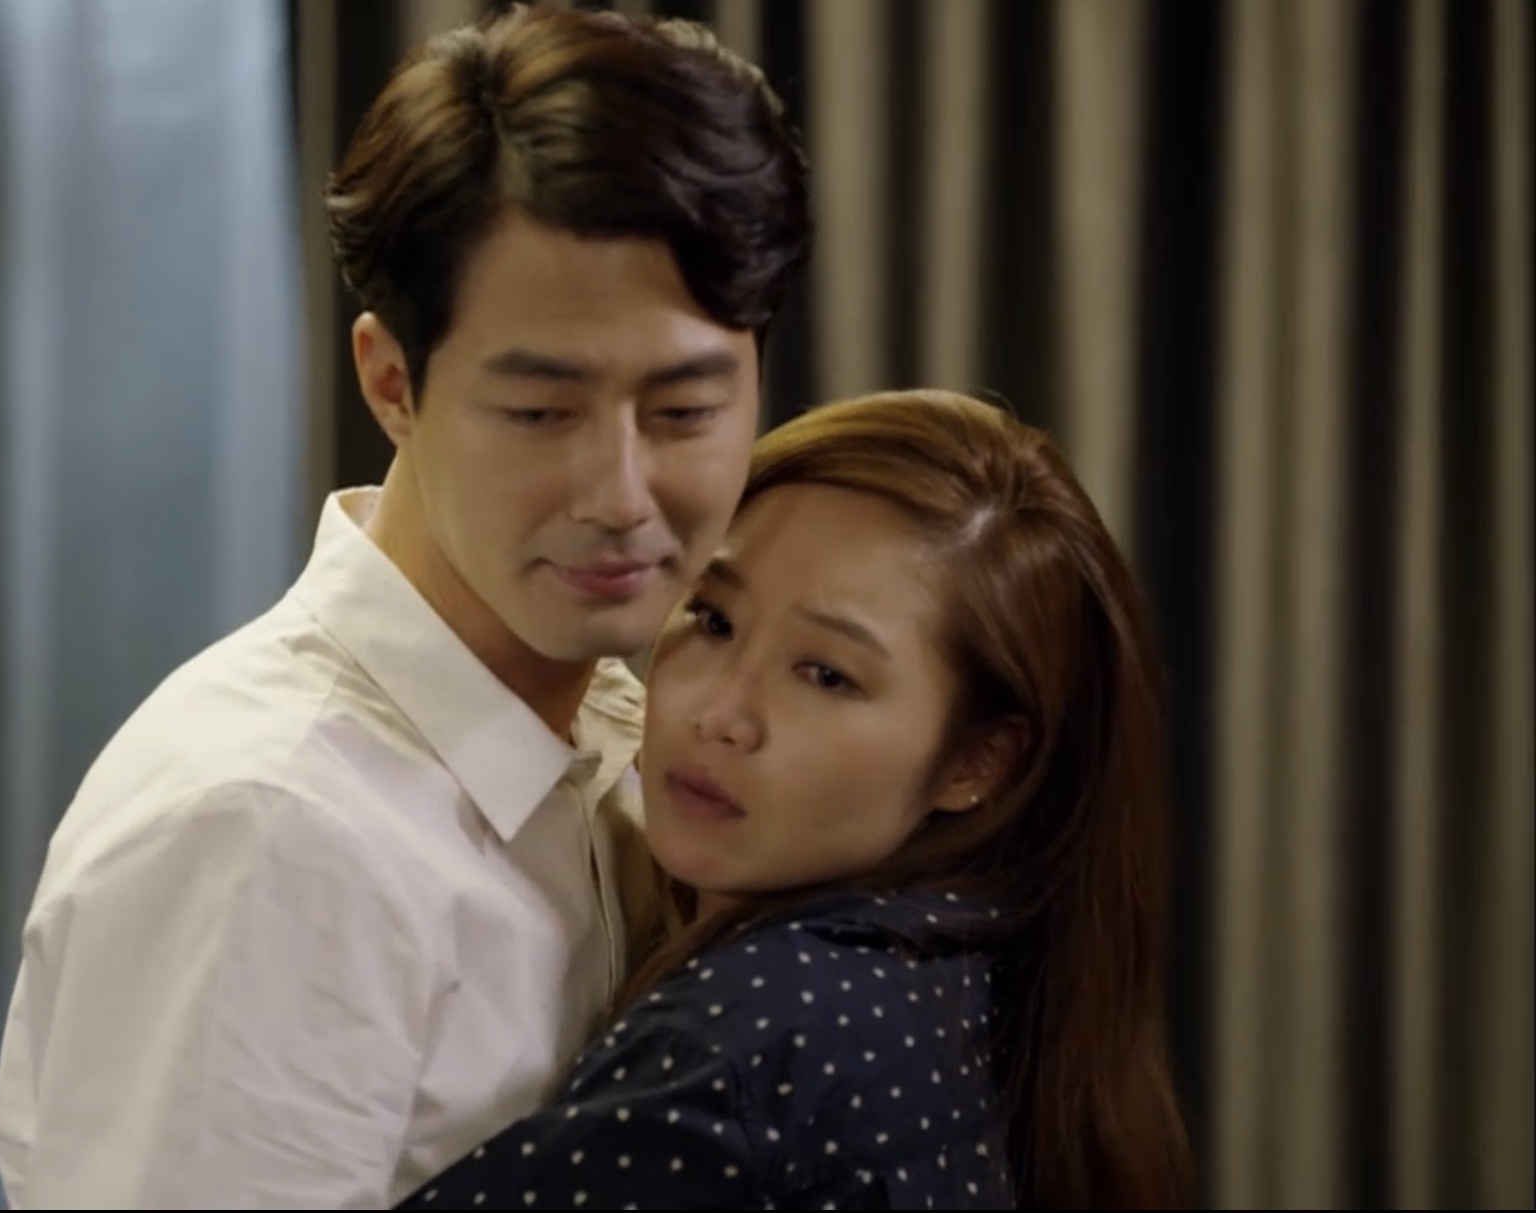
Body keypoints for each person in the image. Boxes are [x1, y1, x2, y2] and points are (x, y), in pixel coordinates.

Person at [0, 5, 811, 1208]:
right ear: (391, 383)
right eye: (540, 413)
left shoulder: (628, 735)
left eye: (684, 411)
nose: (621, 496)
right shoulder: (274, 831)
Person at [396, 389, 1196, 1210]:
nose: (720, 713)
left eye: (826, 675)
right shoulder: (964, 981)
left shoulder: (758, 1039)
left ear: (974, 761)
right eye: (713, 619)